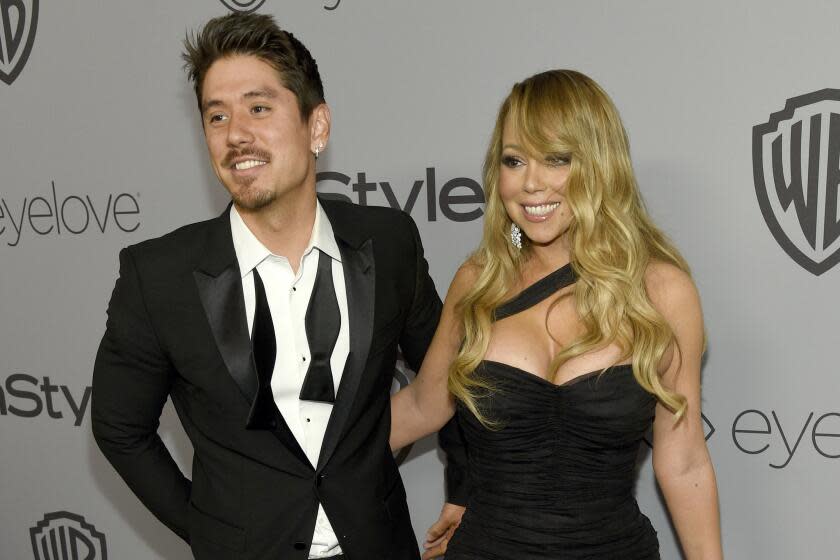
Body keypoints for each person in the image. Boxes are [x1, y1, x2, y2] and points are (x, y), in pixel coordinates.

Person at [91, 13, 465, 560]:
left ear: (317, 128)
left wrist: (465, 488)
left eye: (258, 108)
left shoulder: (387, 243)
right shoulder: (158, 276)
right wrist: (208, 530)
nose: (235, 133)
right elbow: (119, 428)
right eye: (217, 116)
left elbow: (448, 371)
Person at [390, 69, 723, 559]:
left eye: (556, 160)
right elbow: (422, 405)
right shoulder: (479, 281)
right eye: (513, 160)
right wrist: (294, 450)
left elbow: (686, 460)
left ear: (599, 165)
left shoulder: (661, 290)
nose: (530, 184)